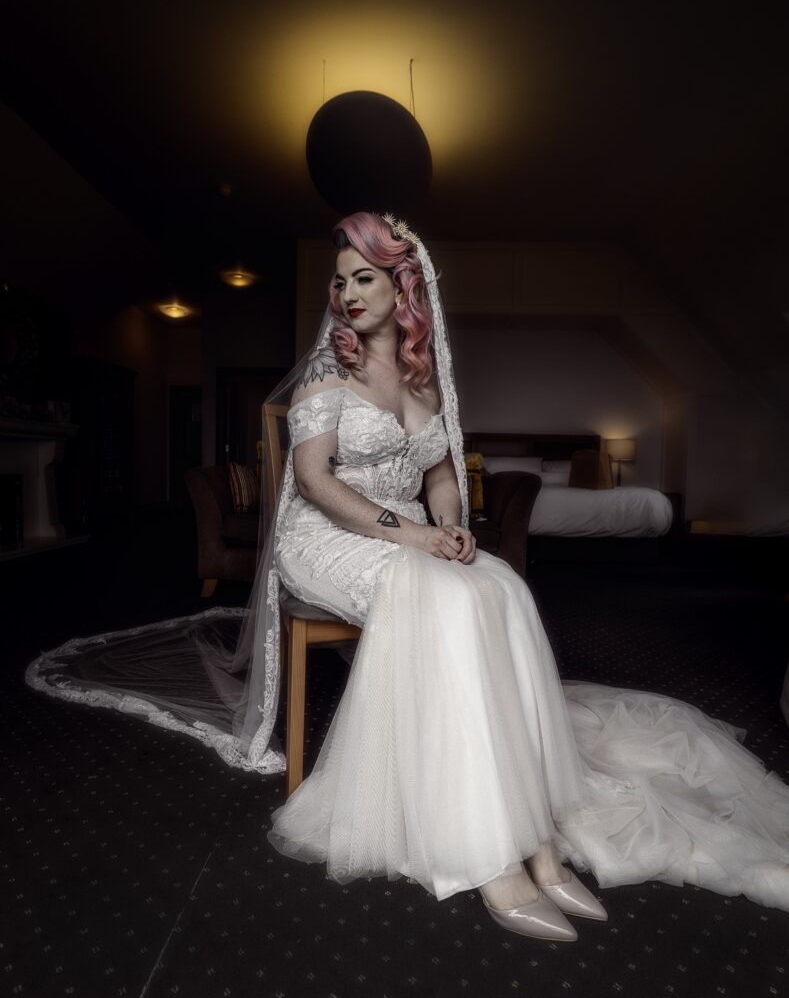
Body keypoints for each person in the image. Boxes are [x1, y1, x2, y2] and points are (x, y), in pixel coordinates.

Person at [27, 212, 789, 942]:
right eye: (339, 281)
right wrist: (415, 534)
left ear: (403, 288)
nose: (347, 294)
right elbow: (315, 483)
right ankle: (490, 853)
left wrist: (451, 525)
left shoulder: (425, 384)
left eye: (363, 278)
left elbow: (441, 479)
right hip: (325, 538)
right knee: (443, 598)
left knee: (500, 586)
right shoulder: (326, 375)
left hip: (407, 532)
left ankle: (537, 840)